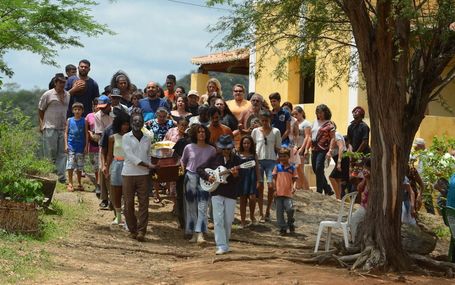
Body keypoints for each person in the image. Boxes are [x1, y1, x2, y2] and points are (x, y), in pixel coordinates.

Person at [198, 135, 241, 254]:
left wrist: (236, 175)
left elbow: (240, 179)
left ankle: (225, 243)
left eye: (228, 148)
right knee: (218, 219)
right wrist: (208, 177)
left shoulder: (237, 160)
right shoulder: (214, 158)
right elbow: (200, 169)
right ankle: (220, 245)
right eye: (224, 148)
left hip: (231, 192)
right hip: (216, 192)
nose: (226, 151)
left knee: (228, 220)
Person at [122, 112, 156, 242]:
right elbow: (130, 156)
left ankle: (142, 231)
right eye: (134, 121)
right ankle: (133, 229)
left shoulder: (147, 138)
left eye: (139, 121)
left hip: (143, 175)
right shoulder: (126, 137)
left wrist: (149, 167)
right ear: (131, 123)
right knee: (128, 203)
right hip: (128, 174)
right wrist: (147, 165)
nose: (137, 123)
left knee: (144, 204)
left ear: (143, 124)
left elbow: (148, 155)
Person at [180, 124, 217, 243]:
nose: (202, 134)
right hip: (190, 177)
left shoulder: (212, 150)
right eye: (199, 132)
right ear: (195, 134)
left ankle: (200, 233)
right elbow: (183, 161)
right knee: (191, 206)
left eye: (203, 132)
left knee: (202, 206)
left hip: (205, 179)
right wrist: (182, 168)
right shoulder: (188, 147)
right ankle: (192, 232)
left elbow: (214, 165)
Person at [38, 73, 70, 183]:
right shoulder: (48, 94)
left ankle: (61, 177)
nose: (62, 84)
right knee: (50, 152)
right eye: (60, 82)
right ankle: (49, 175)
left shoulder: (67, 95)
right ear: (55, 82)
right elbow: (41, 110)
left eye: (64, 82)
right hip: (50, 126)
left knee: (62, 153)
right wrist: (42, 124)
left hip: (62, 127)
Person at [251, 110, 282, 222]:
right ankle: (261, 212)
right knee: (259, 186)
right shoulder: (255, 131)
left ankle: (268, 209)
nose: (264, 123)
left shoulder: (276, 131)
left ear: (270, 120)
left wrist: (282, 159)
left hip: (271, 160)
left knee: (270, 186)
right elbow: (252, 146)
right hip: (258, 160)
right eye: (262, 120)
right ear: (260, 120)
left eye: (266, 120)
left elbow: (278, 147)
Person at [106, 111, 131, 225]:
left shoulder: (131, 137)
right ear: (118, 124)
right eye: (123, 124)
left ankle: (128, 217)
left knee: (128, 192)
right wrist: (107, 168)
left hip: (129, 165)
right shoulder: (112, 138)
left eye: (127, 124)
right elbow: (110, 154)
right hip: (116, 164)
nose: (125, 126)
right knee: (116, 191)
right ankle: (118, 216)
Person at [272, 148, 298, 235]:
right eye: (280, 156)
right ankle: (283, 228)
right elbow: (274, 179)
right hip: (278, 193)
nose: (282, 158)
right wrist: (274, 190)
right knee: (279, 212)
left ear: (288, 157)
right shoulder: (277, 167)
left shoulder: (292, 168)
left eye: (284, 156)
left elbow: (294, 179)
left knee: (290, 209)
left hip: (288, 193)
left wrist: (294, 187)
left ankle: (290, 222)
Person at [311, 104, 335, 196]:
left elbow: (333, 138)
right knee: (315, 169)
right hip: (314, 148)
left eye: (321, 112)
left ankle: (319, 191)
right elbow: (311, 135)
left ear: (325, 112)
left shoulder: (330, 124)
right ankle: (328, 189)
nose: (319, 114)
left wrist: (330, 150)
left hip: (323, 149)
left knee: (319, 168)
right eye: (317, 112)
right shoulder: (314, 122)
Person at [94, 95, 114, 209]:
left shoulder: (116, 113)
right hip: (104, 143)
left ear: (109, 105)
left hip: (116, 144)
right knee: (103, 170)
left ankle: (114, 198)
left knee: (113, 171)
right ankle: (104, 198)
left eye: (104, 107)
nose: (102, 109)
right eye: (100, 107)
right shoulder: (97, 116)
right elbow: (101, 133)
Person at [64, 102, 88, 192]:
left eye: (79, 109)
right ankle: (70, 183)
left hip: (80, 147)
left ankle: (79, 182)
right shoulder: (69, 120)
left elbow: (86, 134)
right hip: (71, 146)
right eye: (75, 109)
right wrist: (66, 145)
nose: (77, 111)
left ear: (82, 111)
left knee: (79, 166)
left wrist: (86, 146)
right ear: (72, 110)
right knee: (70, 165)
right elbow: (66, 133)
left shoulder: (84, 121)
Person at [238, 135, 259, 228]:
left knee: (252, 198)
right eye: (244, 143)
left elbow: (257, 168)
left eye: (248, 143)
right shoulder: (238, 154)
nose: (246, 145)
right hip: (241, 179)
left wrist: (259, 180)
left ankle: (252, 216)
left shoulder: (254, 155)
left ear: (251, 144)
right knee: (242, 199)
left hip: (252, 178)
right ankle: (242, 221)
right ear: (242, 144)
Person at [292, 106, 311, 191]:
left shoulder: (306, 123)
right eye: (294, 114)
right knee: (297, 168)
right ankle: (303, 187)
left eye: (297, 114)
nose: (295, 116)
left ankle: (303, 187)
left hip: (301, 147)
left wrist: (303, 148)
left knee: (299, 167)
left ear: (301, 113)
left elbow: (307, 136)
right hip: (295, 147)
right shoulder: (294, 123)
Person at [85, 98, 100, 194]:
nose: (97, 107)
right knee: (95, 166)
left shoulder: (105, 116)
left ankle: (99, 185)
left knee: (100, 165)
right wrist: (86, 145)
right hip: (92, 145)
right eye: (95, 105)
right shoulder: (89, 116)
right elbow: (86, 133)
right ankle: (99, 183)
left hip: (102, 145)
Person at [328, 131, 349, 199]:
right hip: (338, 159)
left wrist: (339, 162)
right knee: (338, 179)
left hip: (342, 159)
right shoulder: (332, 137)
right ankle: (340, 197)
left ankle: (338, 196)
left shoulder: (336, 135)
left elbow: (341, 147)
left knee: (332, 177)